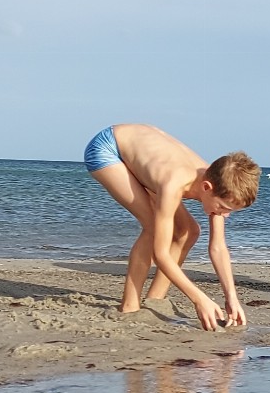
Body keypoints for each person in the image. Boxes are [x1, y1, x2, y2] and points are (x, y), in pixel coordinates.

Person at [82, 123, 260, 330]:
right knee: (152, 228)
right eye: (222, 207)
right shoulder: (174, 183)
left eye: (230, 210)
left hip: (146, 156)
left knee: (190, 231)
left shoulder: (220, 183)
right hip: (109, 148)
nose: (225, 214)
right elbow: (160, 254)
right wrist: (199, 298)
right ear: (206, 188)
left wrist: (231, 297)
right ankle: (129, 307)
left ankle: (155, 300)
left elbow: (218, 248)